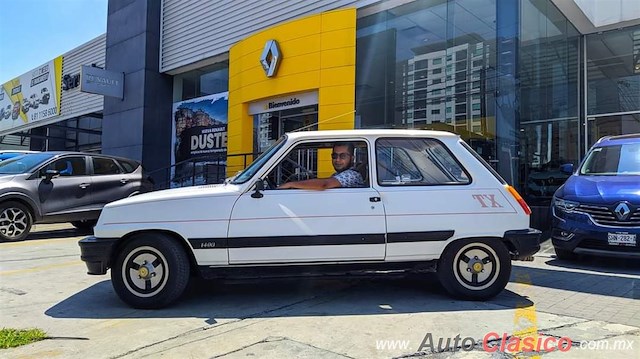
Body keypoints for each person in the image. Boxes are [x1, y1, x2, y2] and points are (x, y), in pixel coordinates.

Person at [279, 142, 364, 190]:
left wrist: (290, 184)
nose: (337, 160)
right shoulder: (336, 175)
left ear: (352, 158)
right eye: (334, 156)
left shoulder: (352, 175)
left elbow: (324, 184)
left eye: (343, 156)